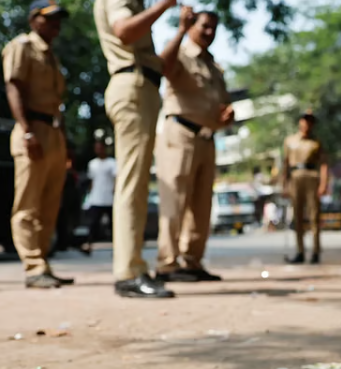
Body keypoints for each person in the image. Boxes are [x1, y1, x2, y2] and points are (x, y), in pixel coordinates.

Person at [94, 0, 177, 298]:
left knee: (137, 185)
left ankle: (134, 267)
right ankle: (129, 272)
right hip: (133, 85)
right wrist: (164, 7)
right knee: (132, 185)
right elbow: (125, 31)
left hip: (140, 84)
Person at [155, 7, 232, 282]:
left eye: (214, 28)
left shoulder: (214, 66)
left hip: (207, 138)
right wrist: (179, 30)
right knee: (174, 200)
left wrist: (225, 118)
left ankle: (191, 262)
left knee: (201, 205)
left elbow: (220, 107)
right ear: (191, 25)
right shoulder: (180, 54)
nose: (209, 32)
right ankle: (167, 263)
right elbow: (162, 66)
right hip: (180, 134)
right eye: (203, 26)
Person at [2, 0, 71, 289]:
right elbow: (13, 87)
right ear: (33, 20)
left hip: (53, 133)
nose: (56, 24)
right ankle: (32, 266)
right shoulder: (22, 47)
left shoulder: (51, 55)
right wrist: (28, 131)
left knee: (49, 206)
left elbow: (58, 104)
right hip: (32, 130)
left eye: (58, 19)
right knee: (28, 205)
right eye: (49, 18)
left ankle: (43, 263)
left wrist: (64, 142)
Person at [282, 111, 328, 264]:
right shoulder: (290, 141)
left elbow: (324, 164)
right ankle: (300, 251)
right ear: (300, 122)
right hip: (295, 178)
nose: (307, 124)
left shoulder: (316, 142)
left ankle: (315, 251)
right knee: (297, 218)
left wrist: (323, 183)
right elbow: (285, 164)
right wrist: (285, 184)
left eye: (310, 122)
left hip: (311, 177)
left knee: (314, 216)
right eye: (304, 121)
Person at [82, 140, 117, 255]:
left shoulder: (112, 163)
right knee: (93, 223)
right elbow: (92, 180)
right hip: (96, 198)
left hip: (110, 199)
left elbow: (116, 179)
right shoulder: (92, 164)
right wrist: (89, 197)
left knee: (113, 225)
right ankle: (89, 244)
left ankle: (116, 247)